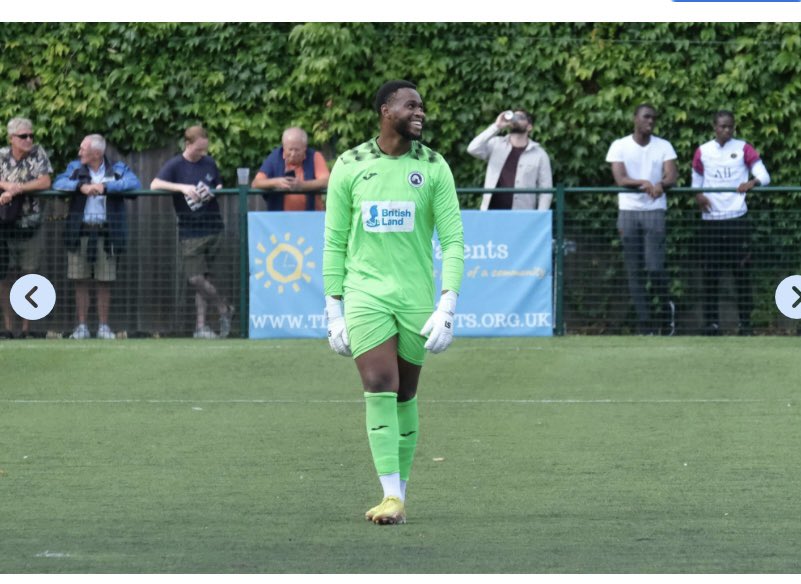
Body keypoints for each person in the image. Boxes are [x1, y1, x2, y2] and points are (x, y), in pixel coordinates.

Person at [323, 80, 464, 525]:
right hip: (365, 293)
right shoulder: (349, 164)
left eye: (422, 106)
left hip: (416, 297)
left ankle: (397, 496)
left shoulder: (435, 166)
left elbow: (454, 240)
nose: (420, 112)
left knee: (406, 393)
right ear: (386, 110)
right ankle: (389, 495)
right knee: (380, 383)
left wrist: (447, 305)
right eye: (410, 105)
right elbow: (334, 241)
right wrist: (334, 311)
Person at [54, 134, 141, 340]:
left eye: (83, 149)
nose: (79, 152)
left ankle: (103, 327)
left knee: (105, 281)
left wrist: (106, 187)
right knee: (80, 281)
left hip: (107, 233)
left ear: (96, 153)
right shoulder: (75, 168)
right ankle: (82, 327)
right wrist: (80, 187)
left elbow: (134, 184)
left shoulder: (118, 169)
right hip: (80, 232)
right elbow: (58, 183)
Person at [151, 125, 233, 339]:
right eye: (199, 150)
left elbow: (220, 185)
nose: (202, 154)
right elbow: (154, 184)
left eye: (205, 150)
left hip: (214, 227)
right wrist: (182, 188)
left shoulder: (209, 163)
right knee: (195, 278)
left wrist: (212, 191)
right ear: (188, 144)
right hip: (190, 230)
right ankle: (224, 307)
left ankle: (201, 327)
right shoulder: (175, 165)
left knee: (206, 277)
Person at [692, 110, 770, 336]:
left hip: (737, 219)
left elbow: (764, 176)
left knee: (742, 274)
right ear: (714, 127)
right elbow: (695, 183)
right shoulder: (703, 151)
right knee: (710, 274)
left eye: (730, 126)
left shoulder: (744, 148)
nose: (726, 130)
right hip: (711, 221)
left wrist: (752, 182)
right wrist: (698, 196)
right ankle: (712, 324)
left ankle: (745, 324)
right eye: (722, 126)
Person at [606, 104, 678, 335]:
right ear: (635, 118)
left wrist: (661, 184)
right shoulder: (619, 145)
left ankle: (667, 316)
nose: (651, 121)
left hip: (654, 211)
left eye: (653, 118)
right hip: (628, 212)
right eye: (646, 117)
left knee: (654, 268)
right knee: (634, 271)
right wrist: (644, 183)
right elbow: (620, 178)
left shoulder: (664, 145)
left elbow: (672, 175)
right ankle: (645, 325)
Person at [0, 117, 52, 338]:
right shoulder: (1, 155)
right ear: (12, 138)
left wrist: (17, 189)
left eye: (31, 135)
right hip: (4, 226)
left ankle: (25, 329)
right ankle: (8, 327)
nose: (28, 139)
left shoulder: (38, 154)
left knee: (29, 276)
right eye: (23, 136)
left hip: (30, 226)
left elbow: (45, 182)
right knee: (4, 276)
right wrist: (5, 185)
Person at [467, 109, 553, 210]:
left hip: (522, 216)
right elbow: (472, 148)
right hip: (491, 213)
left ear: (529, 127)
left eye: (521, 118)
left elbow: (546, 191)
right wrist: (497, 126)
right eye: (514, 116)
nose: (515, 120)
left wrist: (539, 217)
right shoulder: (496, 144)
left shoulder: (540, 155)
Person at [251, 127, 330, 211]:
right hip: (279, 218)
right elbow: (256, 183)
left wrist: (302, 186)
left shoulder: (315, 156)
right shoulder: (275, 157)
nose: (293, 154)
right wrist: (276, 182)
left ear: (305, 148)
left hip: (311, 217)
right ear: (284, 147)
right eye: (290, 149)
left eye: (297, 150)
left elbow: (326, 181)